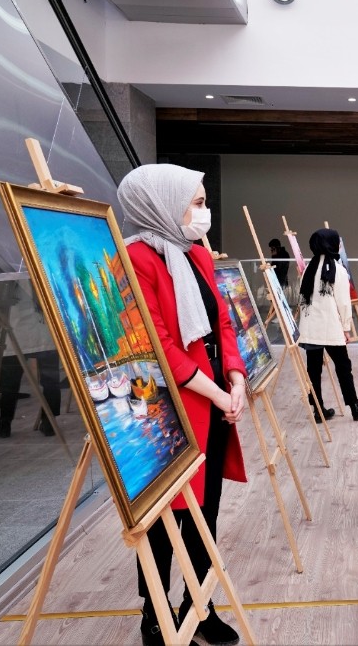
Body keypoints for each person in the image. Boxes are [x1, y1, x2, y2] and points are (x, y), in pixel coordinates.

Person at [119, 164, 248, 646]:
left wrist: (234, 377)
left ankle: (201, 602)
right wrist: (216, 392)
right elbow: (157, 344)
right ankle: (154, 613)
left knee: (204, 509)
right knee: (162, 515)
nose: (203, 211)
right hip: (168, 410)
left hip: (213, 399)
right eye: (195, 202)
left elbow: (223, 323)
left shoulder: (197, 254)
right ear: (162, 204)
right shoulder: (136, 259)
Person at [297, 228, 358, 423]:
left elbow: (303, 302)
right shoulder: (337, 269)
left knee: (314, 371)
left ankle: (318, 410)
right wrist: (346, 327)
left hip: (310, 330)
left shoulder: (308, 270)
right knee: (343, 367)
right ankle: (354, 406)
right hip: (331, 328)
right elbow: (343, 303)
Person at [0, 282, 60, 439]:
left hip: (18, 330)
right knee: (50, 380)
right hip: (44, 329)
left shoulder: (7, 268)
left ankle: (5, 422)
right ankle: (49, 422)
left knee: (10, 381)